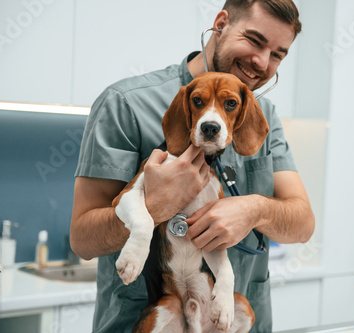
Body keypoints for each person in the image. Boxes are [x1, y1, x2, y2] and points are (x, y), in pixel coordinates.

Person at [70, 0, 315, 332]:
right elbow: (82, 239)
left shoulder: (262, 114)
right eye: (255, 40)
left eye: (277, 55)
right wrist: (155, 206)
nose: (261, 62)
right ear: (220, 24)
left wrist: (253, 210)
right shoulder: (126, 104)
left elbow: (302, 225)